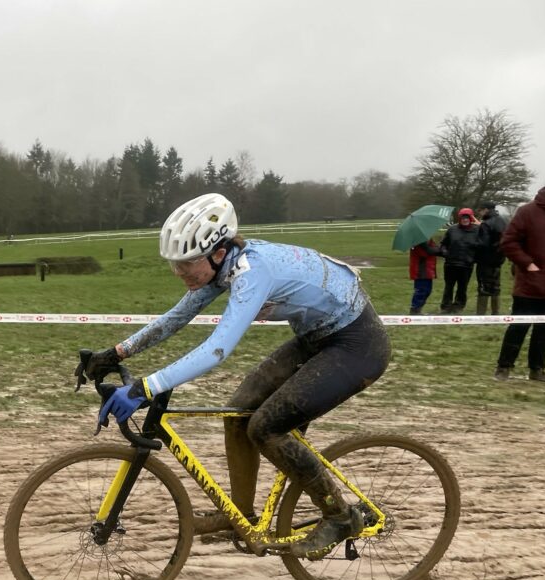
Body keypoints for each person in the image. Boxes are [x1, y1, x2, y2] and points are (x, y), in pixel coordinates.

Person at [78, 194, 391, 561]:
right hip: (317, 338)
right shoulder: (222, 268)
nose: (180, 272)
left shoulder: (252, 273)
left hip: (357, 346)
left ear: (219, 253)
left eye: (186, 264)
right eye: (174, 265)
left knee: (265, 427)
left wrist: (147, 386)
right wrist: (116, 353)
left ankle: (339, 516)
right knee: (238, 411)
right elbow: (175, 319)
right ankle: (240, 515)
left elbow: (218, 349)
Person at [494, 173, 545, 383]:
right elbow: (508, 242)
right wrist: (527, 264)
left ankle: (537, 369)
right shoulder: (527, 212)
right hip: (529, 284)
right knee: (519, 325)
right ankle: (504, 367)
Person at [438, 208, 483, 313]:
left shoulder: (477, 230)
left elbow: (482, 245)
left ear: (471, 218)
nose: (465, 220)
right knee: (449, 286)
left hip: (467, 264)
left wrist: (474, 258)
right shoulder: (452, 230)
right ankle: (446, 306)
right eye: (463, 217)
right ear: (460, 218)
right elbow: (443, 244)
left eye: (467, 217)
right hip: (451, 264)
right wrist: (445, 253)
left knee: (462, 287)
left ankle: (458, 306)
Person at [475, 201, 507, 315]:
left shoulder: (486, 224)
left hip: (485, 260)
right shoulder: (502, 221)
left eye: (480, 210)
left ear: (486, 209)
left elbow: (482, 244)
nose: (479, 213)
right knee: (495, 287)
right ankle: (495, 313)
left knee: (483, 287)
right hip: (499, 259)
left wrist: (474, 244)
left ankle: (480, 314)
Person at [408, 238, 444, 315]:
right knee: (421, 290)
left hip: (427, 269)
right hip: (421, 270)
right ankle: (415, 309)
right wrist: (439, 250)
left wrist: (437, 249)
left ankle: (418, 309)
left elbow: (433, 249)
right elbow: (427, 252)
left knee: (427, 290)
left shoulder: (426, 239)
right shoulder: (418, 240)